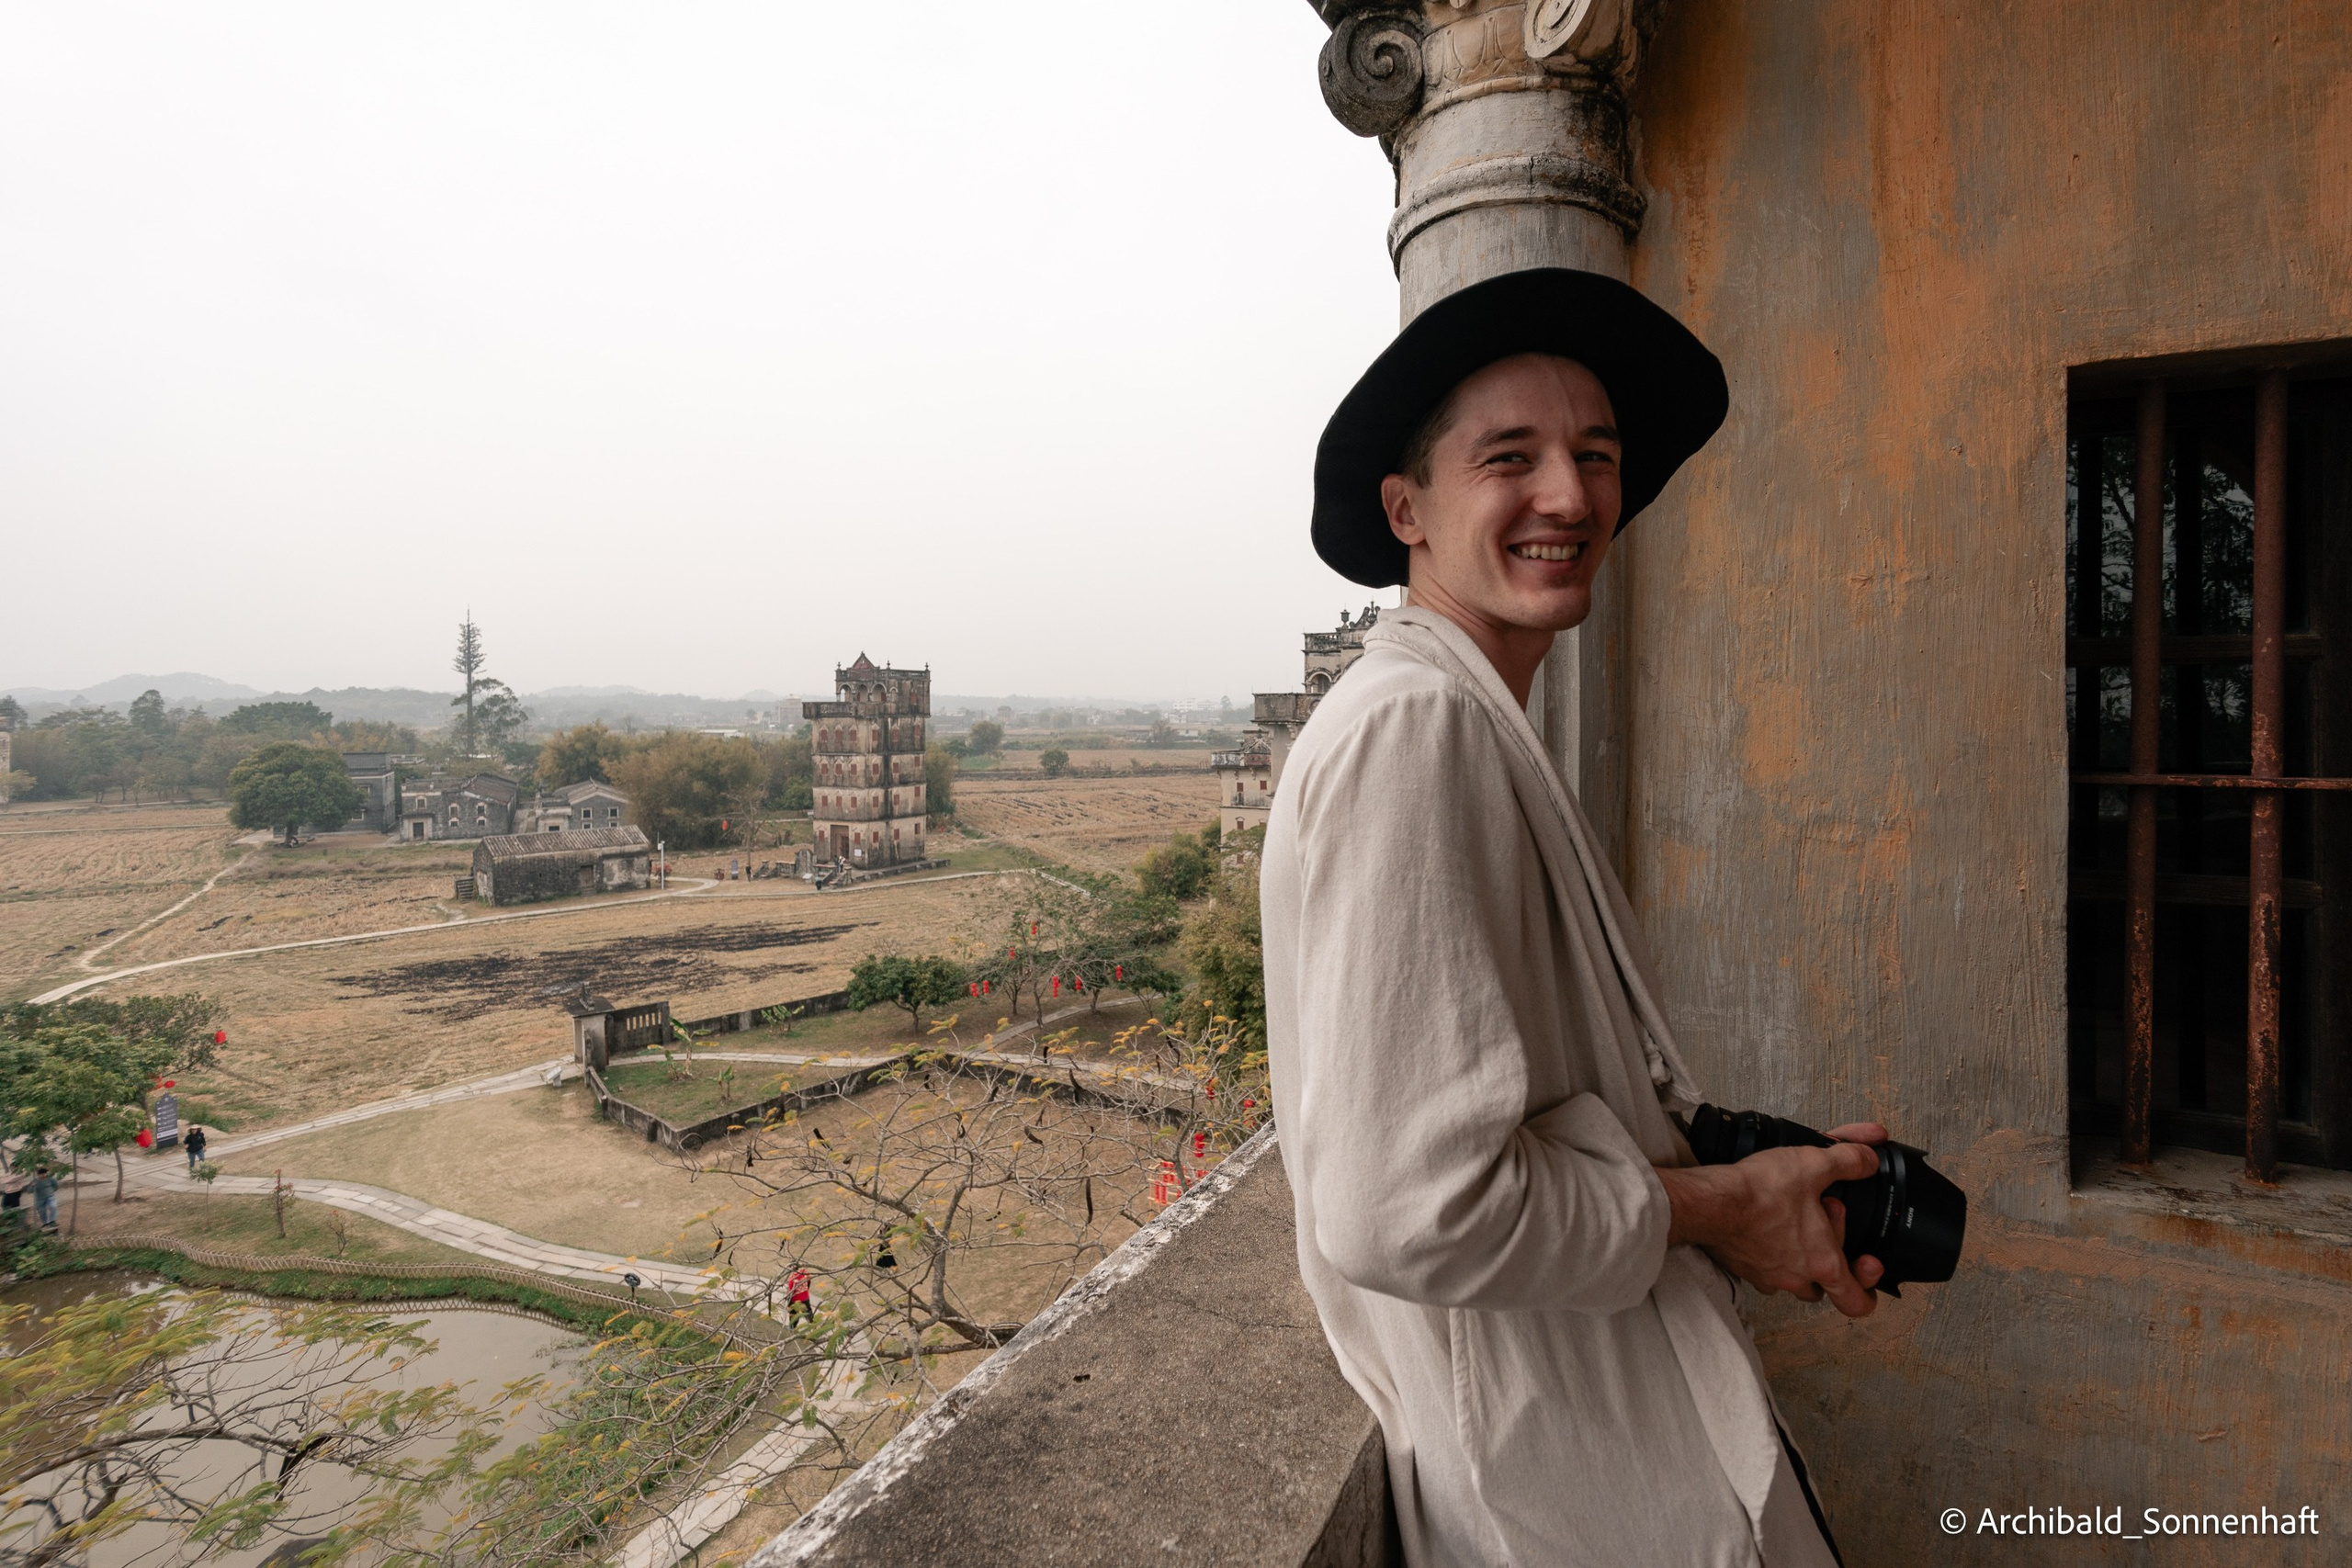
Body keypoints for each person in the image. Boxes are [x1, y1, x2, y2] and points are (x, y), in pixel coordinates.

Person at [1265, 268, 1887, 1567]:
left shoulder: (1473, 717)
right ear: (1408, 510)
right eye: (1510, 457)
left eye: (1594, 455)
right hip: (1575, 1500)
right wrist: (1718, 1207)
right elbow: (1405, 1209)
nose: (1569, 494)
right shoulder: (1417, 724)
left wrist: (1753, 1174)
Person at [30, 1165, 59, 1232]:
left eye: (45, 1173)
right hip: (39, 1199)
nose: (44, 1175)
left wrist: (51, 1191)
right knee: (42, 1211)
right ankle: (45, 1223)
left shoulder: (51, 1179)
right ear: (38, 1175)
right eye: (42, 1174)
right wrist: (32, 1186)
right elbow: (29, 1191)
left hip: (50, 1197)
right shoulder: (34, 1181)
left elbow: (56, 1186)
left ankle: (52, 1221)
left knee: (53, 1206)